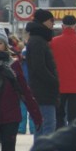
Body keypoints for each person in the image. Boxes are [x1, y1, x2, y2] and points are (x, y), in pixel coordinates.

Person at [23, 8, 59, 139]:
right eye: (51, 20)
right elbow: (39, 67)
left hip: (41, 90)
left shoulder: (36, 39)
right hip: (43, 91)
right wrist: (53, 81)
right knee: (47, 126)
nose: (53, 24)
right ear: (44, 21)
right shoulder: (38, 41)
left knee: (42, 126)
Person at [50, 14, 76, 127]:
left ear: (62, 26)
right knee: (74, 116)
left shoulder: (53, 42)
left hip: (58, 84)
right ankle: (72, 139)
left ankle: (60, 137)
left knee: (59, 115)